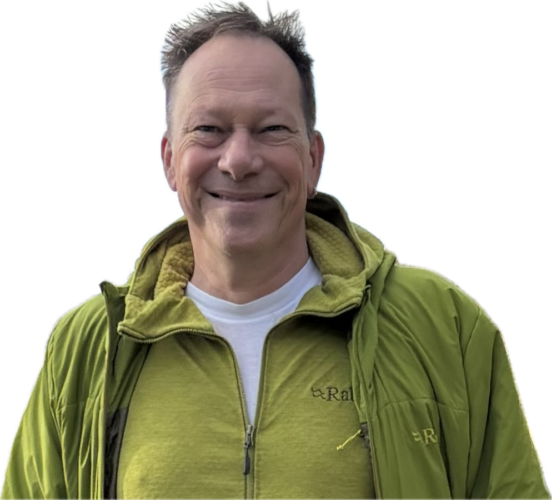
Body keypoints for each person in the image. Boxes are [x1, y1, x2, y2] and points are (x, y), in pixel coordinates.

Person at [1, 1, 549, 499]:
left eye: (270, 129)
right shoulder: (86, 349)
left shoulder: (445, 328)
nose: (239, 160)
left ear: (313, 159)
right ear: (168, 160)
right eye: (209, 129)